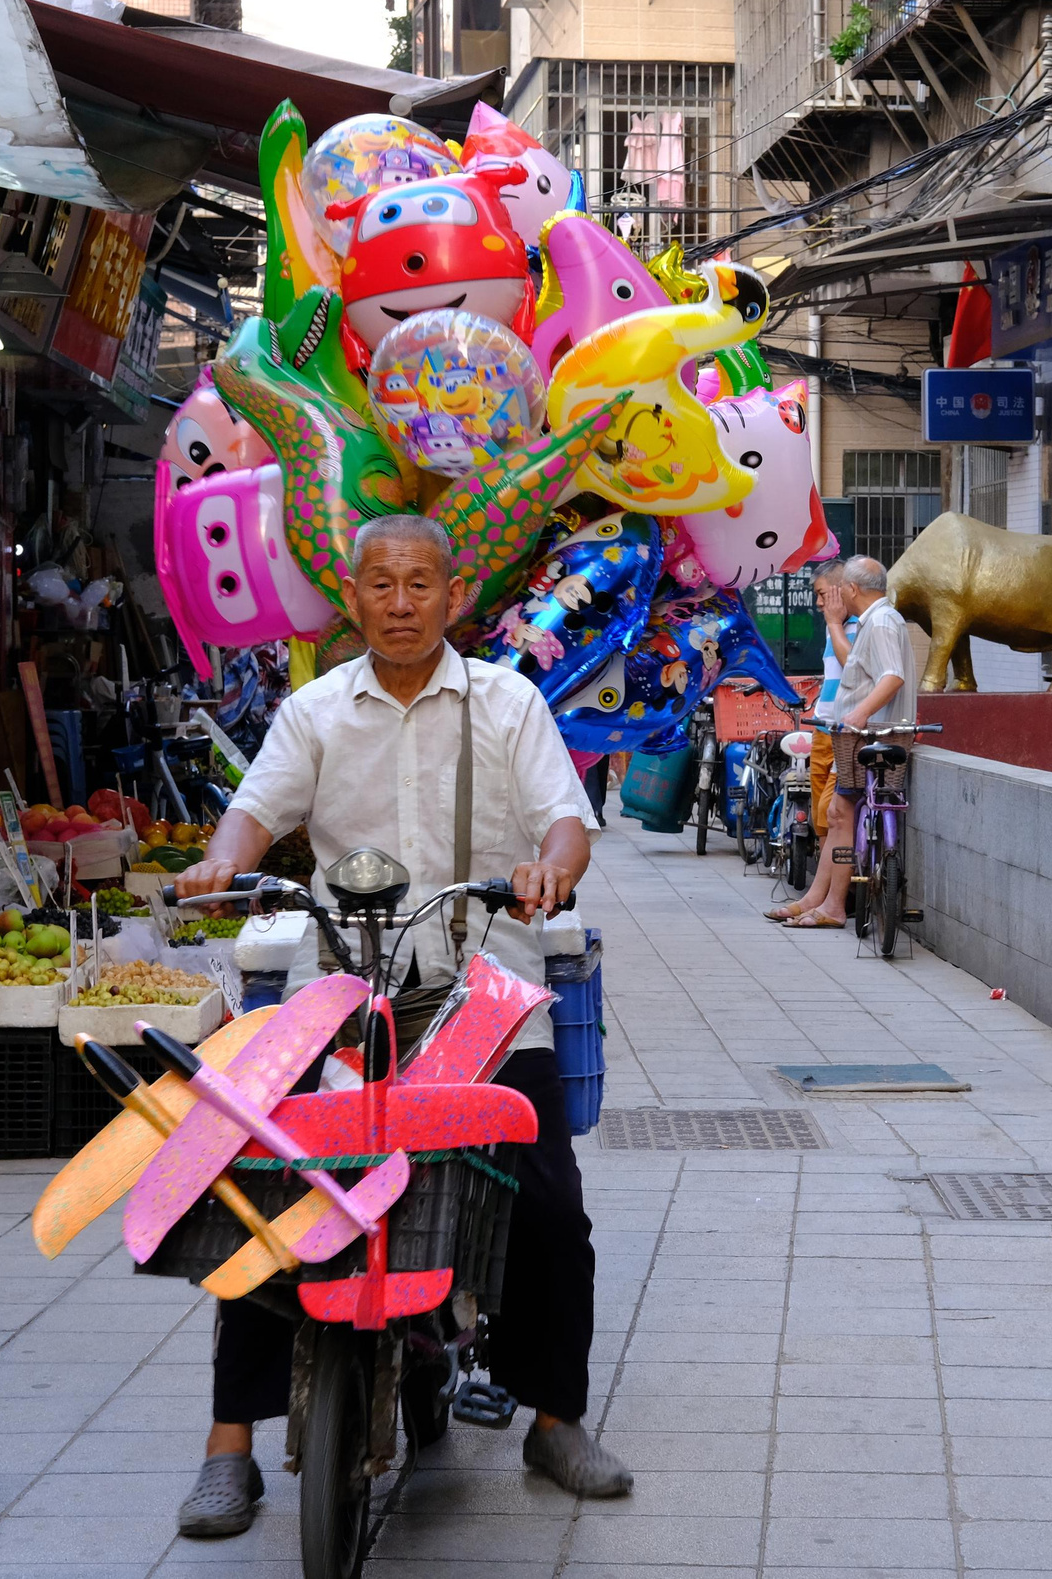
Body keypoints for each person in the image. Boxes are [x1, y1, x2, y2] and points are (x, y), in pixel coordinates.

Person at [167, 514, 631, 1538]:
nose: (402, 601)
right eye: (382, 583)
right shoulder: (317, 711)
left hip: (488, 1002)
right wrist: (219, 857)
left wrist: (554, 866)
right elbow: (254, 812)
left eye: (421, 582)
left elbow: (564, 819)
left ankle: (555, 1420)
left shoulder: (508, 704)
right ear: (356, 595)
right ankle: (228, 1449)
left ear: (452, 595)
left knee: (552, 1208)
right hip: (343, 995)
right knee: (264, 1191)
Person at [773, 555, 915, 929]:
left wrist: (858, 713)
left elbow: (892, 676)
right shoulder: (877, 620)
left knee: (839, 813)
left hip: (867, 735)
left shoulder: (881, 621)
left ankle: (834, 905)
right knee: (837, 814)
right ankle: (819, 899)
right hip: (855, 735)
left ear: (851, 589)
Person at [766, 560, 849, 923]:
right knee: (823, 818)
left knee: (834, 815)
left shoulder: (859, 627)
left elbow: (859, 670)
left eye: (821, 594)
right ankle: (817, 897)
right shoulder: (834, 632)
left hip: (846, 734)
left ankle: (826, 901)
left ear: (842, 590)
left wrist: (834, 623)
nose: (817, 603)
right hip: (824, 730)